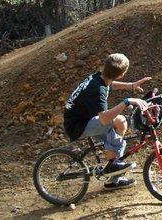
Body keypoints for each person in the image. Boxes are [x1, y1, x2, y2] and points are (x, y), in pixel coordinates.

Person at [63, 53, 151, 191]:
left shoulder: (99, 77)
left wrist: (131, 86)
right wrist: (127, 101)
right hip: (77, 126)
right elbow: (104, 119)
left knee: (118, 140)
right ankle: (112, 164)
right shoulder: (98, 90)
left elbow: (111, 84)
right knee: (120, 121)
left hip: (82, 119)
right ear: (121, 74)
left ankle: (114, 180)